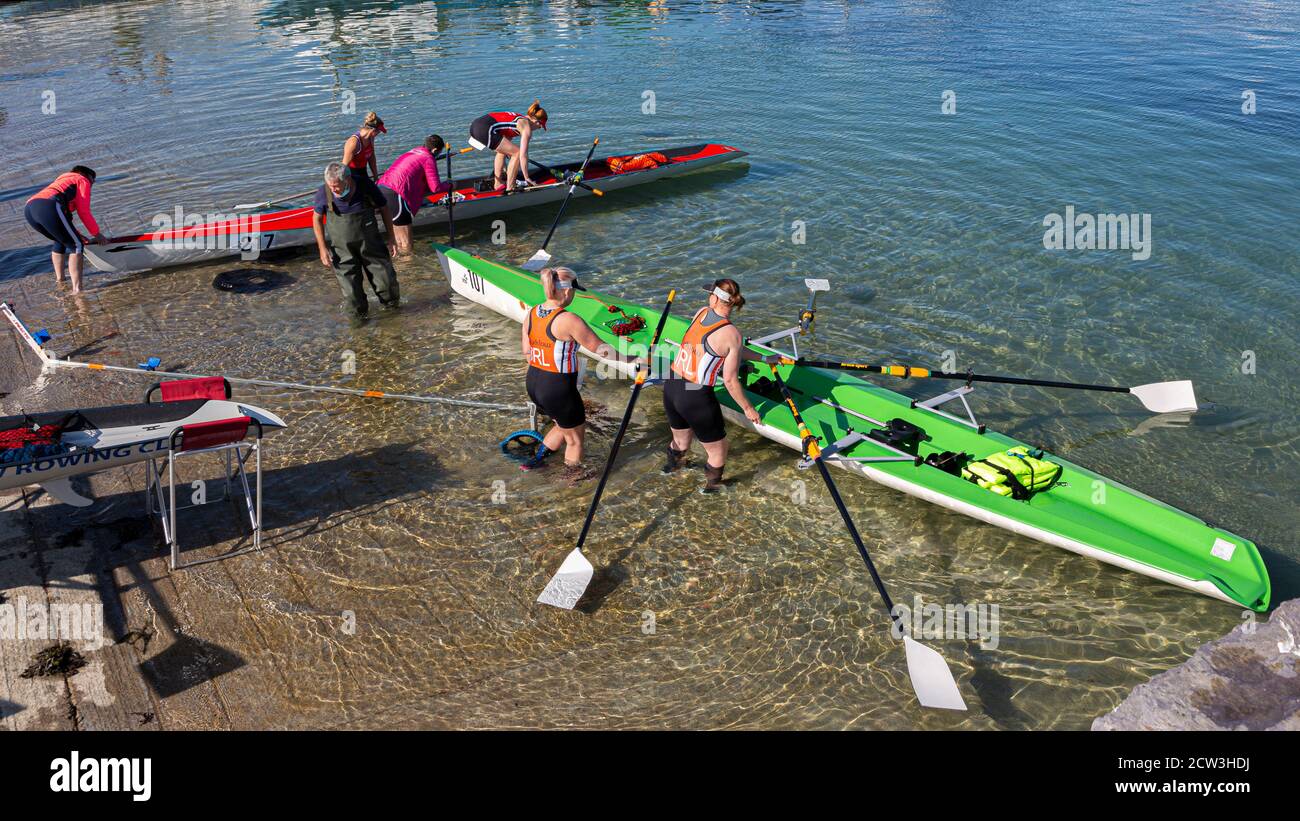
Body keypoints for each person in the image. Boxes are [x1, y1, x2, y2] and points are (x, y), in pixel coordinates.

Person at [520, 266, 643, 477]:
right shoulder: (569, 320)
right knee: (575, 440)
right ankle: (571, 481)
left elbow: (527, 351)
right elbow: (603, 350)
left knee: (561, 423)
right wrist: (635, 359)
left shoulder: (532, 312)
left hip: (533, 383)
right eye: (575, 292)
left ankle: (536, 461)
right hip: (557, 389)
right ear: (567, 291)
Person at [664, 279, 778, 493]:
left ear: (714, 298)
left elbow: (727, 350)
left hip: (672, 385)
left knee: (680, 440)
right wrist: (748, 408)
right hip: (695, 396)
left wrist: (763, 358)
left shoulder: (701, 313)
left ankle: (671, 469)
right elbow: (729, 380)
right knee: (719, 450)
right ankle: (712, 488)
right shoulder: (731, 334)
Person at [311, 162, 400, 318]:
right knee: (353, 296)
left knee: (387, 286)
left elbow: (384, 208)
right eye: (330, 186)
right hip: (343, 251)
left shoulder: (365, 186)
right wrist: (322, 248)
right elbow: (316, 219)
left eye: (336, 186)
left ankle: (393, 318)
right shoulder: (323, 192)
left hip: (372, 247)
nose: (333, 190)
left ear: (348, 180)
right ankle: (360, 325)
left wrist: (391, 237)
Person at [24, 165, 107, 294]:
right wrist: (97, 234)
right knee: (77, 246)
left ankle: (60, 280)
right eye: (93, 180)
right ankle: (77, 290)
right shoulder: (82, 179)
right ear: (86, 175)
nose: (92, 184)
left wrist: (78, 235)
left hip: (30, 208)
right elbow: (84, 211)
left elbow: (65, 223)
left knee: (61, 240)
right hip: (48, 205)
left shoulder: (63, 182)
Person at [376, 134, 452, 254]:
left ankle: (402, 267)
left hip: (381, 188)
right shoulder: (428, 158)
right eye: (438, 153)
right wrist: (449, 185)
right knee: (407, 242)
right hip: (396, 194)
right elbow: (435, 188)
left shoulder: (414, 151)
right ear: (435, 150)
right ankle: (408, 264)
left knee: (397, 239)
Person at [467, 101, 548, 192]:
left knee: (503, 152)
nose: (539, 128)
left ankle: (498, 184)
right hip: (484, 128)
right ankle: (510, 188)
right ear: (536, 121)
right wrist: (527, 177)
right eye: (540, 126)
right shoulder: (526, 127)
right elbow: (523, 154)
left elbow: (502, 150)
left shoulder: (517, 121)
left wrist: (506, 169)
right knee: (517, 153)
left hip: (475, 125)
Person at [342, 112, 386, 180]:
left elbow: (371, 157)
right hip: (352, 176)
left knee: (375, 190)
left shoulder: (371, 138)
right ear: (373, 130)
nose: (379, 133)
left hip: (363, 172)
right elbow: (344, 167)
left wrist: (376, 177)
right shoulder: (353, 143)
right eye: (379, 131)